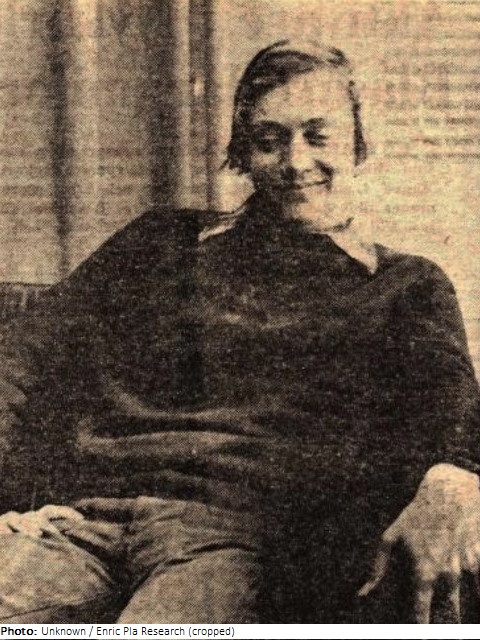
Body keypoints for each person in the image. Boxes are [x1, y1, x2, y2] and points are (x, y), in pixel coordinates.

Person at [0, 39, 479, 624]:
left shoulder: (405, 284)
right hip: (77, 522)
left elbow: (452, 411)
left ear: (358, 142)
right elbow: (21, 357)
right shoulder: (157, 241)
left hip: (227, 540)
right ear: (242, 151)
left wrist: (453, 479)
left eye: (318, 135)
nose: (295, 162)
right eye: (269, 139)